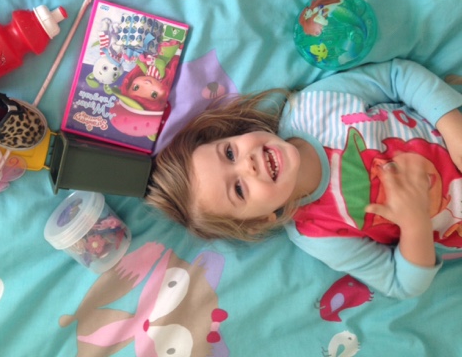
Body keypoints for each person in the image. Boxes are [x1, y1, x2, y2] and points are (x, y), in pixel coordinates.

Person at [146, 58, 462, 299]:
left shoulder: (313, 105)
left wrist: (452, 128)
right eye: (239, 189)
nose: (248, 165)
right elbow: (402, 284)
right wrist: (415, 224)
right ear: (262, 219)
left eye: (229, 153)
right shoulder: (318, 233)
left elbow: (397, 76)